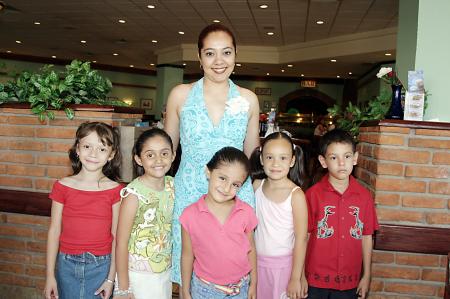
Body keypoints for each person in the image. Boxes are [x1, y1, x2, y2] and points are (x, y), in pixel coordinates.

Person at [164, 23, 260, 286]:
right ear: (199, 57)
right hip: (190, 190)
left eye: (226, 53)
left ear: (235, 55)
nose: (219, 61)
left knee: (232, 274)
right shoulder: (180, 95)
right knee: (189, 275)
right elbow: (166, 152)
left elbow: (253, 155)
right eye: (210, 53)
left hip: (235, 193)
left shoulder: (248, 99)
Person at [44, 122, 123, 299]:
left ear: (111, 155)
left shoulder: (115, 190)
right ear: (77, 149)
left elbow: (117, 236)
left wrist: (111, 279)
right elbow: (54, 230)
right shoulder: (62, 186)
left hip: (101, 266)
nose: (93, 154)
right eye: (87, 146)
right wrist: (50, 275)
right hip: (66, 264)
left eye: (101, 149)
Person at [305, 129, 379, 299]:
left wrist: (366, 275)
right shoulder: (312, 195)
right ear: (323, 161)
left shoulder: (364, 197)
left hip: (349, 281)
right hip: (315, 281)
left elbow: (367, 236)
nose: (341, 163)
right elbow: (304, 237)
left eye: (346, 156)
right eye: (333, 157)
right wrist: (299, 275)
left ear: (355, 158)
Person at [180, 147, 257, 299]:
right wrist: (185, 289)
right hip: (204, 290)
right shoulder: (189, 215)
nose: (227, 188)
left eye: (235, 184)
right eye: (222, 178)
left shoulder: (246, 212)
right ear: (208, 172)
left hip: (240, 289)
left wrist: (253, 284)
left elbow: (251, 250)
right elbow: (187, 255)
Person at [114, 128, 176, 299]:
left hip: (164, 271)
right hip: (137, 276)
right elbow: (121, 242)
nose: (158, 160)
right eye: (150, 155)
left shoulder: (173, 186)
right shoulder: (133, 194)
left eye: (164, 153)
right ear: (138, 159)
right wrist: (124, 287)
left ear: (173, 155)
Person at [250, 132, 309, 299]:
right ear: (261, 159)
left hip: (285, 268)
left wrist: (296, 277)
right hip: (256, 264)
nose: (276, 163)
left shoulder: (296, 195)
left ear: (292, 161)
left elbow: (301, 239)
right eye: (270, 157)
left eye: (283, 158)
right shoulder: (256, 186)